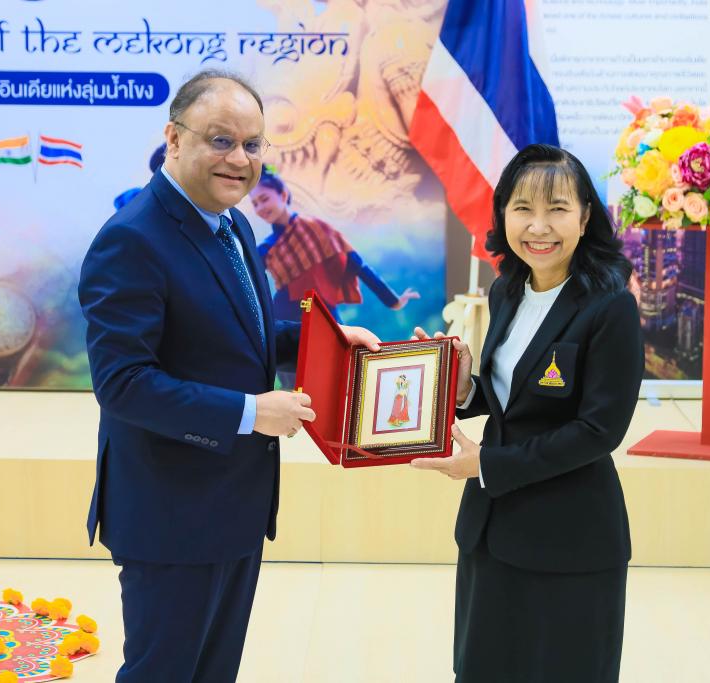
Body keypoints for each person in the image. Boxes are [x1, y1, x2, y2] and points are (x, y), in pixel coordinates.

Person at [78, 69, 381, 682]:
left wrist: (322, 341)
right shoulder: (132, 240)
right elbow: (124, 383)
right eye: (220, 140)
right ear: (173, 138)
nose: (239, 160)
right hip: (170, 513)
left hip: (234, 504)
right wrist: (251, 412)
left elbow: (240, 332)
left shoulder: (231, 222)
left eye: (252, 144)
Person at [410, 144, 644, 682]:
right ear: (503, 215)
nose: (539, 226)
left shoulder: (610, 306)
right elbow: (513, 399)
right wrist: (463, 385)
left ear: (585, 217)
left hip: (569, 539)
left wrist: (487, 465)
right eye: (522, 209)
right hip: (491, 531)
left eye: (557, 209)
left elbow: (599, 430)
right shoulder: (508, 291)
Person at [249, 168, 418, 386]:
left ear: (282, 194)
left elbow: (355, 263)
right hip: (286, 323)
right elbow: (252, 287)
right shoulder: (265, 249)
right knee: (295, 389)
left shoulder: (317, 229)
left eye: (264, 199)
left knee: (342, 378)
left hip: (323, 313)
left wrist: (392, 300)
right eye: (255, 204)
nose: (260, 208)